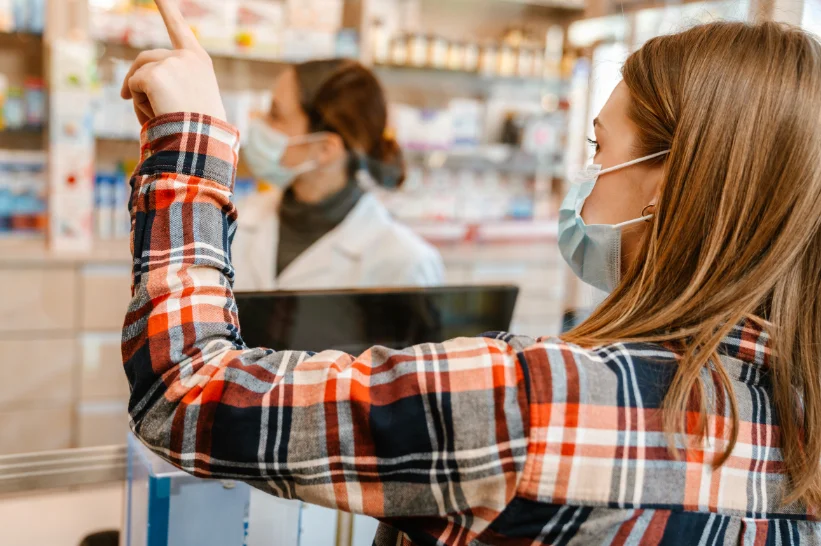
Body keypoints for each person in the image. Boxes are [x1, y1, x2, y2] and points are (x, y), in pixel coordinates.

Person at [121, 3, 821, 544]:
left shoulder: (537, 405)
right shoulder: (802, 430)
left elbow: (186, 394)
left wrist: (190, 143)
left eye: (598, 147)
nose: (585, 180)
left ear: (665, 185)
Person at [232, 58, 443, 290]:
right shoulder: (237, 221)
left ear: (325, 149)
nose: (258, 123)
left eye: (275, 115)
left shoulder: (405, 263)